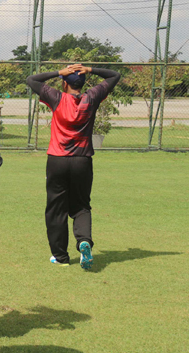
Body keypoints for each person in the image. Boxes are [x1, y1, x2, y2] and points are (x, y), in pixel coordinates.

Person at [26, 64, 121, 269]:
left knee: (56, 208)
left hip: (57, 161)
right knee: (81, 206)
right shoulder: (92, 97)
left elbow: (32, 80)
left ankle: (60, 257)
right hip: (82, 160)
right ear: (84, 82)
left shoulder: (57, 97)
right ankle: (84, 240)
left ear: (64, 83)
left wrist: (59, 72)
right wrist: (90, 69)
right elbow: (115, 75)